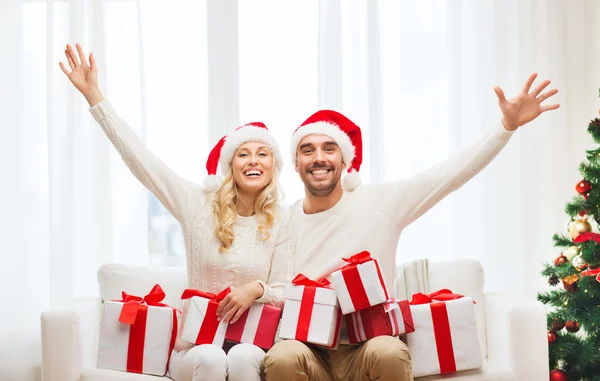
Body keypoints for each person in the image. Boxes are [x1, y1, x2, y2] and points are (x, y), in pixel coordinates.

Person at [264, 73, 560, 381]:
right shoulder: (283, 220)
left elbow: (447, 175)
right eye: (307, 150)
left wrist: (505, 127)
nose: (319, 158)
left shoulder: (379, 204)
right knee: (282, 357)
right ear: (296, 164)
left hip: (367, 347)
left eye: (329, 148)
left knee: (388, 351)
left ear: (344, 160)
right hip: (309, 351)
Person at [59, 43, 294, 381]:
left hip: (251, 343)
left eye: (263, 153)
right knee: (212, 358)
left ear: (273, 167)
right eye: (243, 154)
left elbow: (285, 290)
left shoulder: (280, 219)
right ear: (230, 166)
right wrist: (94, 95)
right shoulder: (197, 205)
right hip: (195, 349)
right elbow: (141, 161)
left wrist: (256, 288)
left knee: (243, 357)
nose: (254, 160)